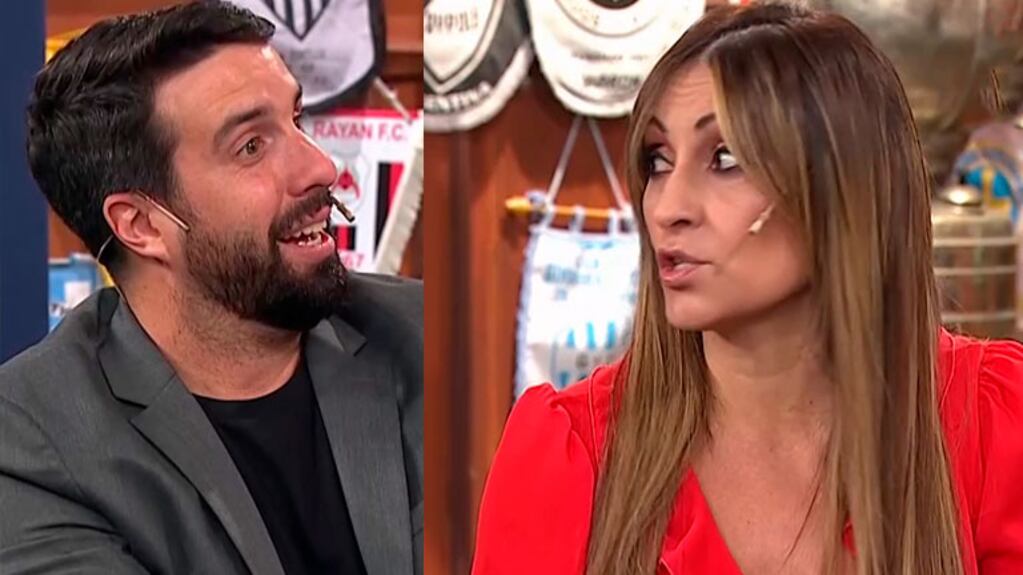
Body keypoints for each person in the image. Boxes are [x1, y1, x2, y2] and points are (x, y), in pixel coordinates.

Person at [472, 4, 1023, 575]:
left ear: (841, 186)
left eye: (725, 158)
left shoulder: (995, 426)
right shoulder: (569, 458)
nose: (668, 208)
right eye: (658, 161)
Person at [0, 2, 422, 574]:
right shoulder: (33, 441)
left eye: (295, 121)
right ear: (142, 225)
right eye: (251, 146)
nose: (321, 169)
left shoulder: (422, 339)